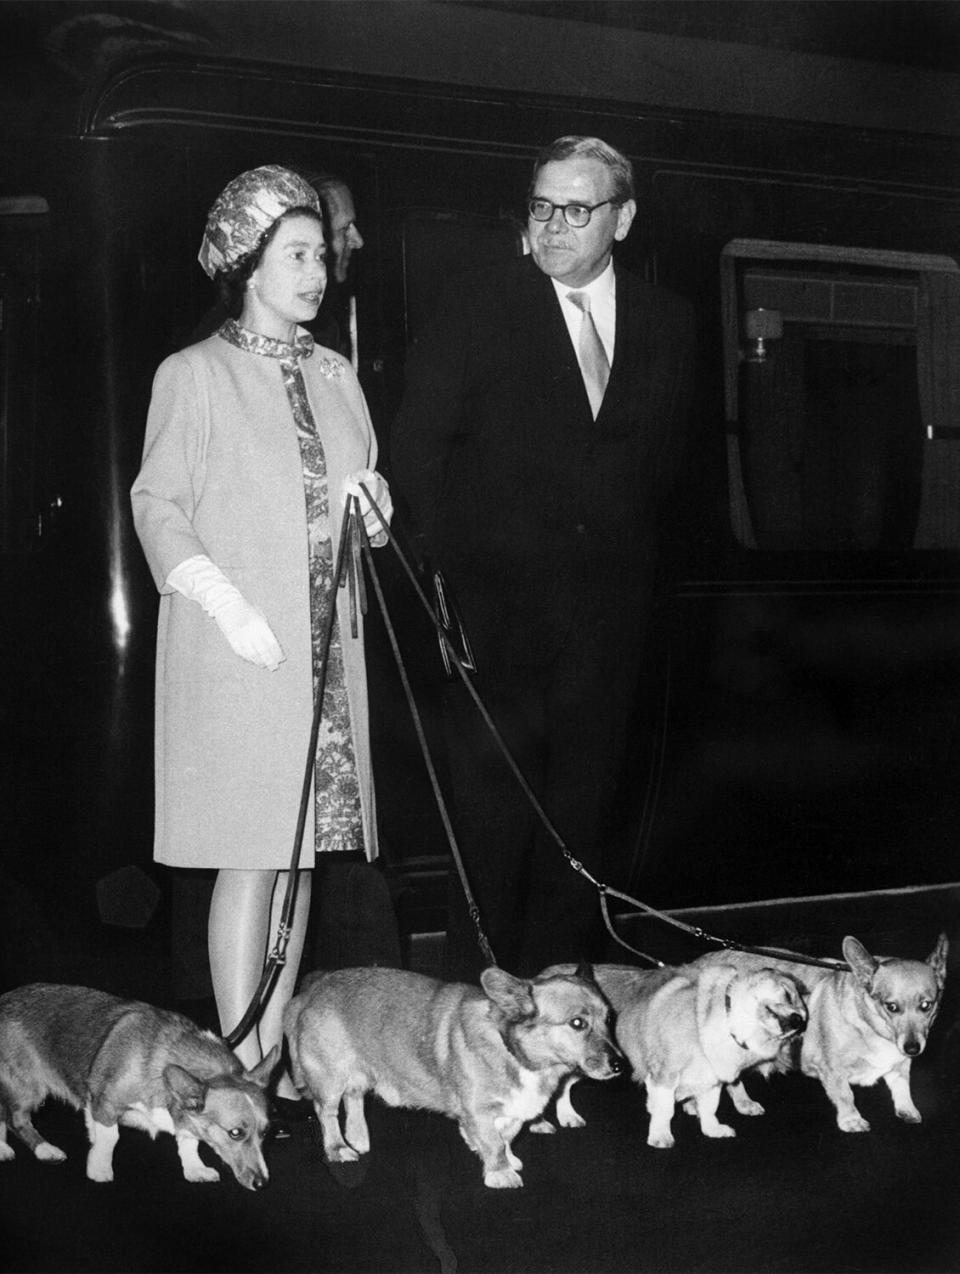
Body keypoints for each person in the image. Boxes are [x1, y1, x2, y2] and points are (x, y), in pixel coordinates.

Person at [390, 135, 696, 981]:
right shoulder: (477, 308)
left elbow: (666, 481)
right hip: (494, 630)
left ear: (623, 219)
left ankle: (564, 1006)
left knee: (582, 829)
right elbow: (416, 459)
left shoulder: (670, 326)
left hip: (609, 631)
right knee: (490, 834)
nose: (554, 225)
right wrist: (449, 597)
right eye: (541, 206)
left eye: (577, 208)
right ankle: (476, 1022)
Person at [131, 165, 393, 1098]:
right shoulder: (194, 373)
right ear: (248, 263)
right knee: (252, 857)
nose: (318, 271)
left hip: (326, 660)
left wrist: (374, 510)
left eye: (322, 253)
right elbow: (158, 503)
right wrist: (220, 598)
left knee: (304, 858)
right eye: (297, 255)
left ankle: (275, 1057)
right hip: (242, 654)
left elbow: (355, 507)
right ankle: (240, 1061)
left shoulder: (335, 373)